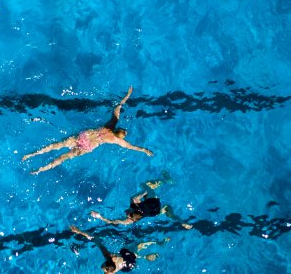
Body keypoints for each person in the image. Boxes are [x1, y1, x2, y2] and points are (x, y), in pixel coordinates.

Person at [21, 87, 152, 174]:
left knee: (56, 146)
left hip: (84, 136)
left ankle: (31, 155)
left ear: (117, 129)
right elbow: (132, 147)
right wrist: (145, 150)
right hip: (88, 146)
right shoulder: (117, 141)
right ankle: (40, 170)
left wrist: (127, 95)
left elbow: (118, 107)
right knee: (64, 157)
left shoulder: (112, 124)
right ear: (119, 136)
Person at [69, 225, 158, 274]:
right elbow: (94, 238)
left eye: (103, 268)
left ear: (108, 270)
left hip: (128, 266)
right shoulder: (110, 256)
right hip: (128, 262)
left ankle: (144, 256)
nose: (101, 268)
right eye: (103, 265)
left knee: (132, 249)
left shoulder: (109, 272)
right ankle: (146, 253)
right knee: (135, 247)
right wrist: (79, 231)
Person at [89, 181, 193, 229]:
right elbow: (112, 221)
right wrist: (145, 191)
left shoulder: (131, 220)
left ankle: (181, 221)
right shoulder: (134, 203)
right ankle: (165, 180)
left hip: (154, 212)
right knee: (144, 185)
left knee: (170, 214)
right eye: (128, 213)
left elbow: (112, 221)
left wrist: (99, 216)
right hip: (153, 201)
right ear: (134, 211)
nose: (126, 212)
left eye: (127, 213)